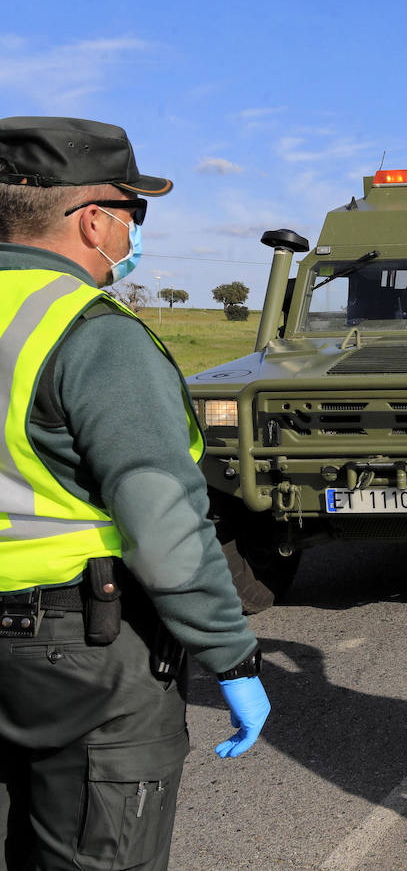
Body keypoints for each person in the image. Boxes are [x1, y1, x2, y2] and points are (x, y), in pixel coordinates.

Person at [0, 116, 270, 868]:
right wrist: (232, 656)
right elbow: (161, 522)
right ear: (94, 221)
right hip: (82, 652)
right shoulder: (91, 332)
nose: (134, 230)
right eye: (133, 210)